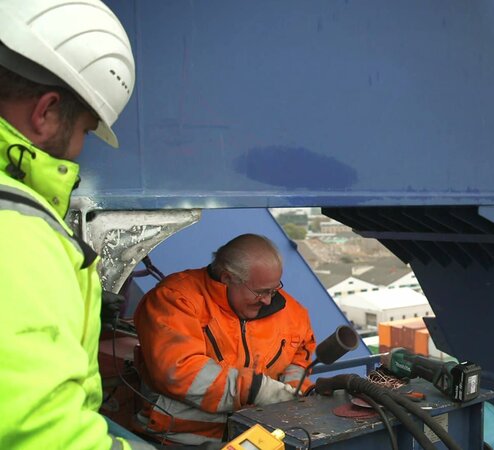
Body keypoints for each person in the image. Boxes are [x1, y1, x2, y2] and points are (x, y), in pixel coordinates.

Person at [0, 0, 149, 449]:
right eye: (86, 129)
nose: (82, 148)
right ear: (45, 111)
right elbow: (38, 431)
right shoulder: (18, 230)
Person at [133, 233, 317, 445]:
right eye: (260, 292)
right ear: (227, 277)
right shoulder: (174, 299)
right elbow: (180, 371)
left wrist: (295, 392)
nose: (267, 301)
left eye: (274, 290)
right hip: (179, 439)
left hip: (256, 439)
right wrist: (255, 389)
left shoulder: (294, 314)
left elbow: (298, 361)